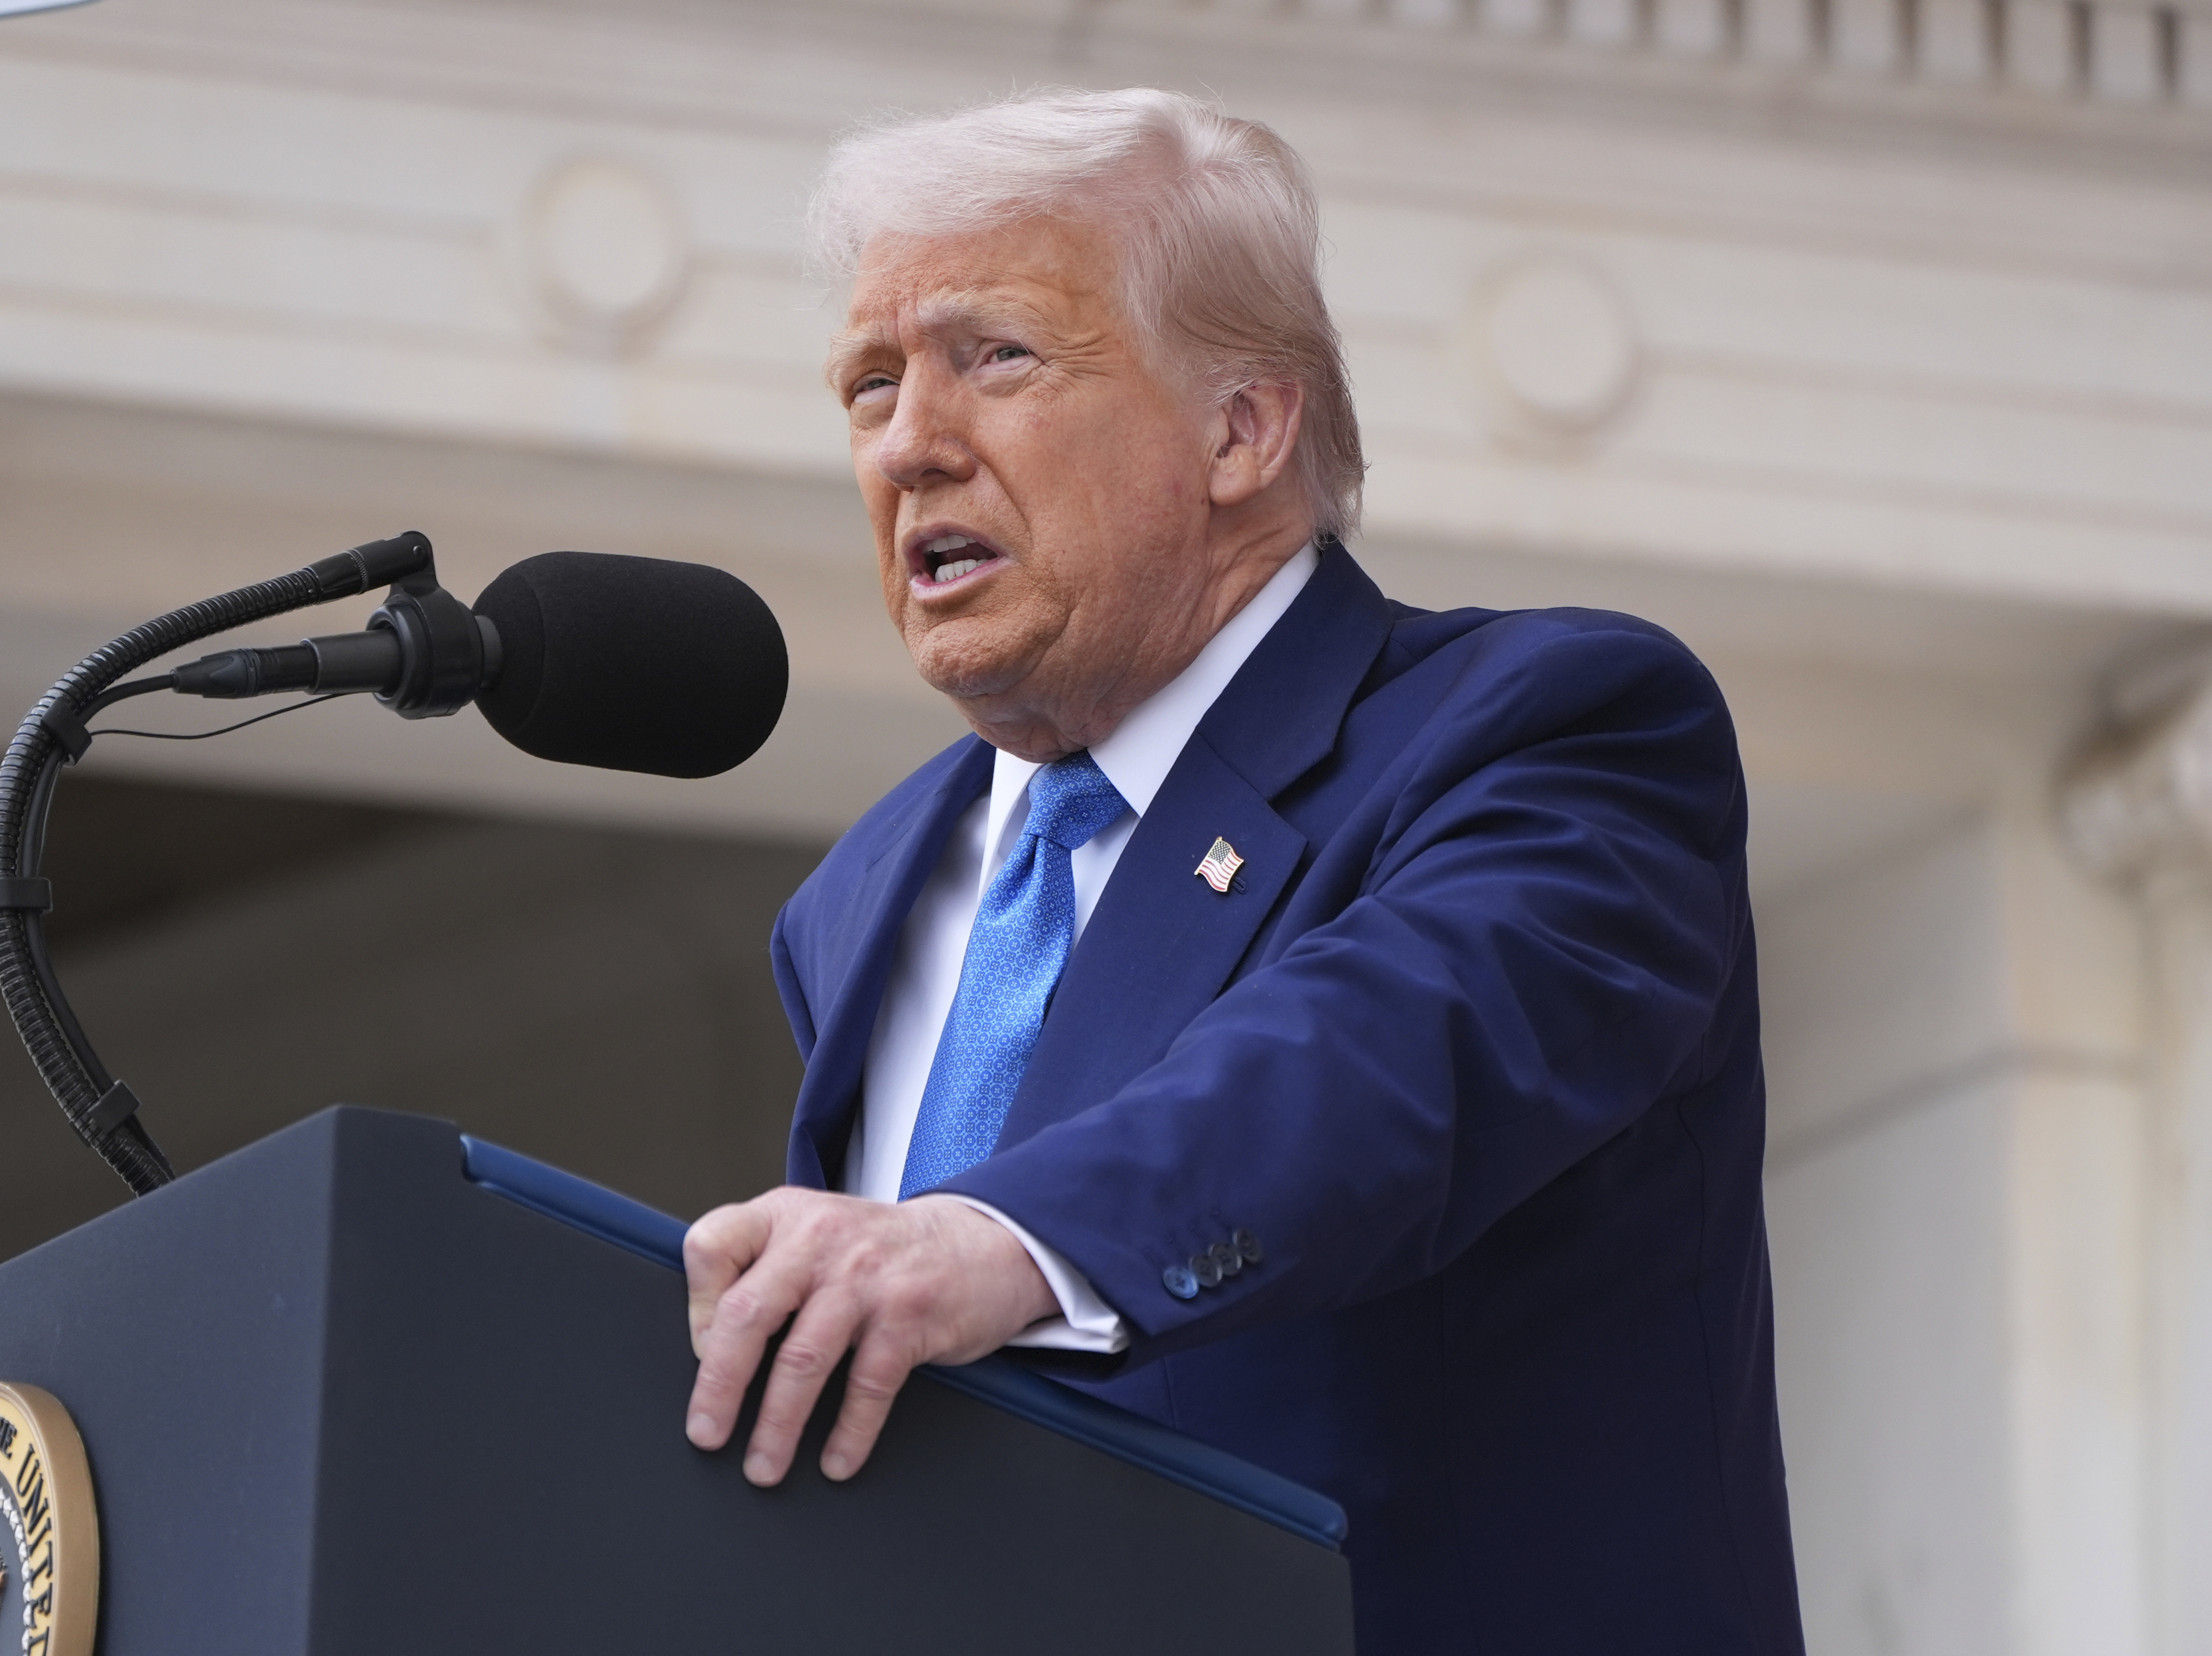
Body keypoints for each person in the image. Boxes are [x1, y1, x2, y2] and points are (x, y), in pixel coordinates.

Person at [680, 87, 1805, 1654]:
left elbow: (1377, 1058)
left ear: (1242, 426)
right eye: (871, 384)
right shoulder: (866, 894)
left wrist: (992, 1240)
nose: (911, 446)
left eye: (994, 355)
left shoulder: (1558, 731)